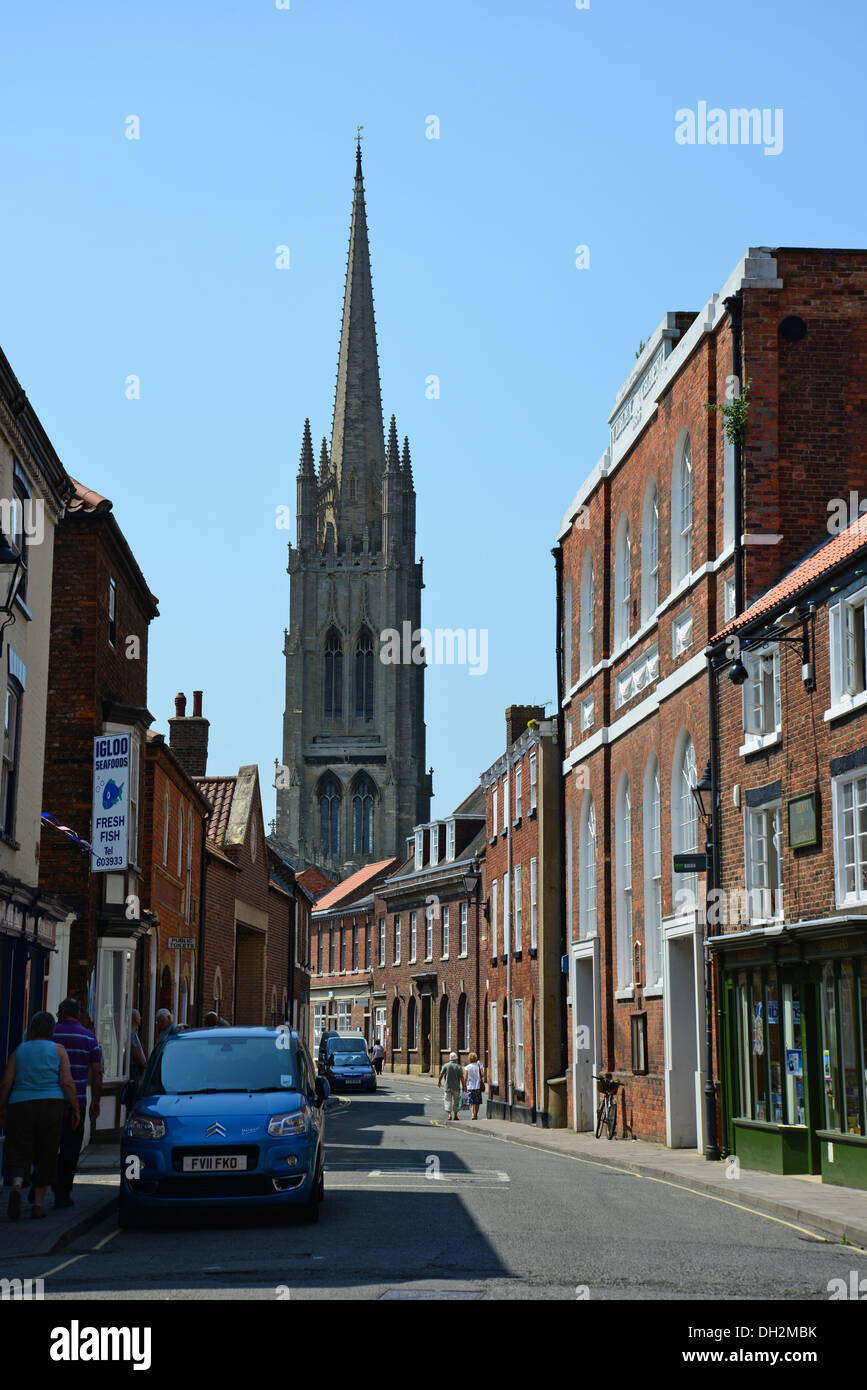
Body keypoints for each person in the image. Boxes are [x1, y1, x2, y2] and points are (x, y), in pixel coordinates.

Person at [0, 1012, 80, 1220]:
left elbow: (6, 1082)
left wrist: (1, 1108)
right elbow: (67, 1082)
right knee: (47, 1151)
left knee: (18, 1147)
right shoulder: (58, 1050)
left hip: (20, 1105)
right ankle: (37, 1204)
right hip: (51, 1106)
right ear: (52, 1031)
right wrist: (75, 1108)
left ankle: (17, 1185)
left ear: (32, 1030)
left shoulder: (20, 1050)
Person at [52, 998, 103, 1209]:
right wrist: (96, 1100)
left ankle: (42, 1187)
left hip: (51, 1100)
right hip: (78, 1102)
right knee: (71, 1148)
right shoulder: (89, 1037)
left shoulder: (50, 1035)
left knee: (47, 1146)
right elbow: (98, 1071)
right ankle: (63, 1193)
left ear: (62, 1013)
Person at [438, 1051, 463, 1122]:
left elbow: (441, 1075)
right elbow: (462, 1077)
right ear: (455, 1059)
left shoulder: (445, 1066)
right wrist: (464, 1086)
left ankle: (449, 1114)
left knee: (447, 1100)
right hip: (456, 1087)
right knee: (457, 1101)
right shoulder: (458, 1066)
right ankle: (455, 1115)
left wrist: (439, 1082)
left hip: (447, 1087)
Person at [464, 1052, 485, 1120]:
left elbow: (465, 1078)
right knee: (477, 1102)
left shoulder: (467, 1067)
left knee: (471, 1102)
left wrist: (464, 1085)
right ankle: (476, 1114)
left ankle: (472, 1114)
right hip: (477, 1086)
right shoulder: (479, 1066)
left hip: (470, 1086)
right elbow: (482, 1074)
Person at [129, 1010, 147, 1085]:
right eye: (139, 1016)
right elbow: (134, 1052)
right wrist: (144, 1064)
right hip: (135, 1068)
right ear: (136, 1019)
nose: (140, 1018)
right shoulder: (132, 1033)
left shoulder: (134, 1033)